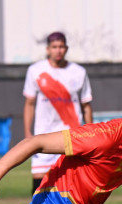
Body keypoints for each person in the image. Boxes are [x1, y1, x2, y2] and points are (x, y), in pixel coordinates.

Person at [24, 31, 93, 194]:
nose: (58, 50)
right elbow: (29, 103)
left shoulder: (79, 72)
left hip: (72, 136)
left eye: (61, 46)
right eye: (54, 47)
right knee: (39, 186)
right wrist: (28, 132)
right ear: (48, 49)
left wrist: (91, 133)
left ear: (66, 48)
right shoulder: (35, 70)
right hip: (43, 135)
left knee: (73, 187)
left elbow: (86, 106)